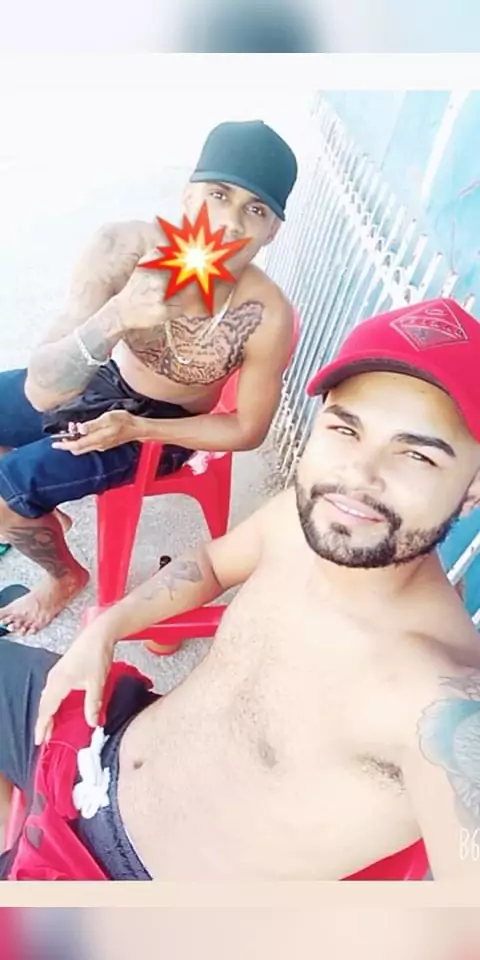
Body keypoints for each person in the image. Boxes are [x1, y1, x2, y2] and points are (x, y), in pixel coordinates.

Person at [2, 296, 480, 882]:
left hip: (105, 885)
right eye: (345, 429)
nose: (358, 474)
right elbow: (208, 564)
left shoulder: (443, 704)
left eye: (417, 455)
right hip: (99, 740)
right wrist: (108, 628)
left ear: (473, 487)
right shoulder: (300, 521)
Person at [0, 119, 298, 634]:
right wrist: (116, 317)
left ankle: (64, 575)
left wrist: (138, 428)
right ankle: (38, 513)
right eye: (218, 195)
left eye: (255, 210)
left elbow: (248, 429)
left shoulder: (266, 314)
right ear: (188, 194)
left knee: (6, 492)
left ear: (272, 231)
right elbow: (43, 391)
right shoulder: (123, 249)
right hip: (101, 374)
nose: (229, 223)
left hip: (163, 427)